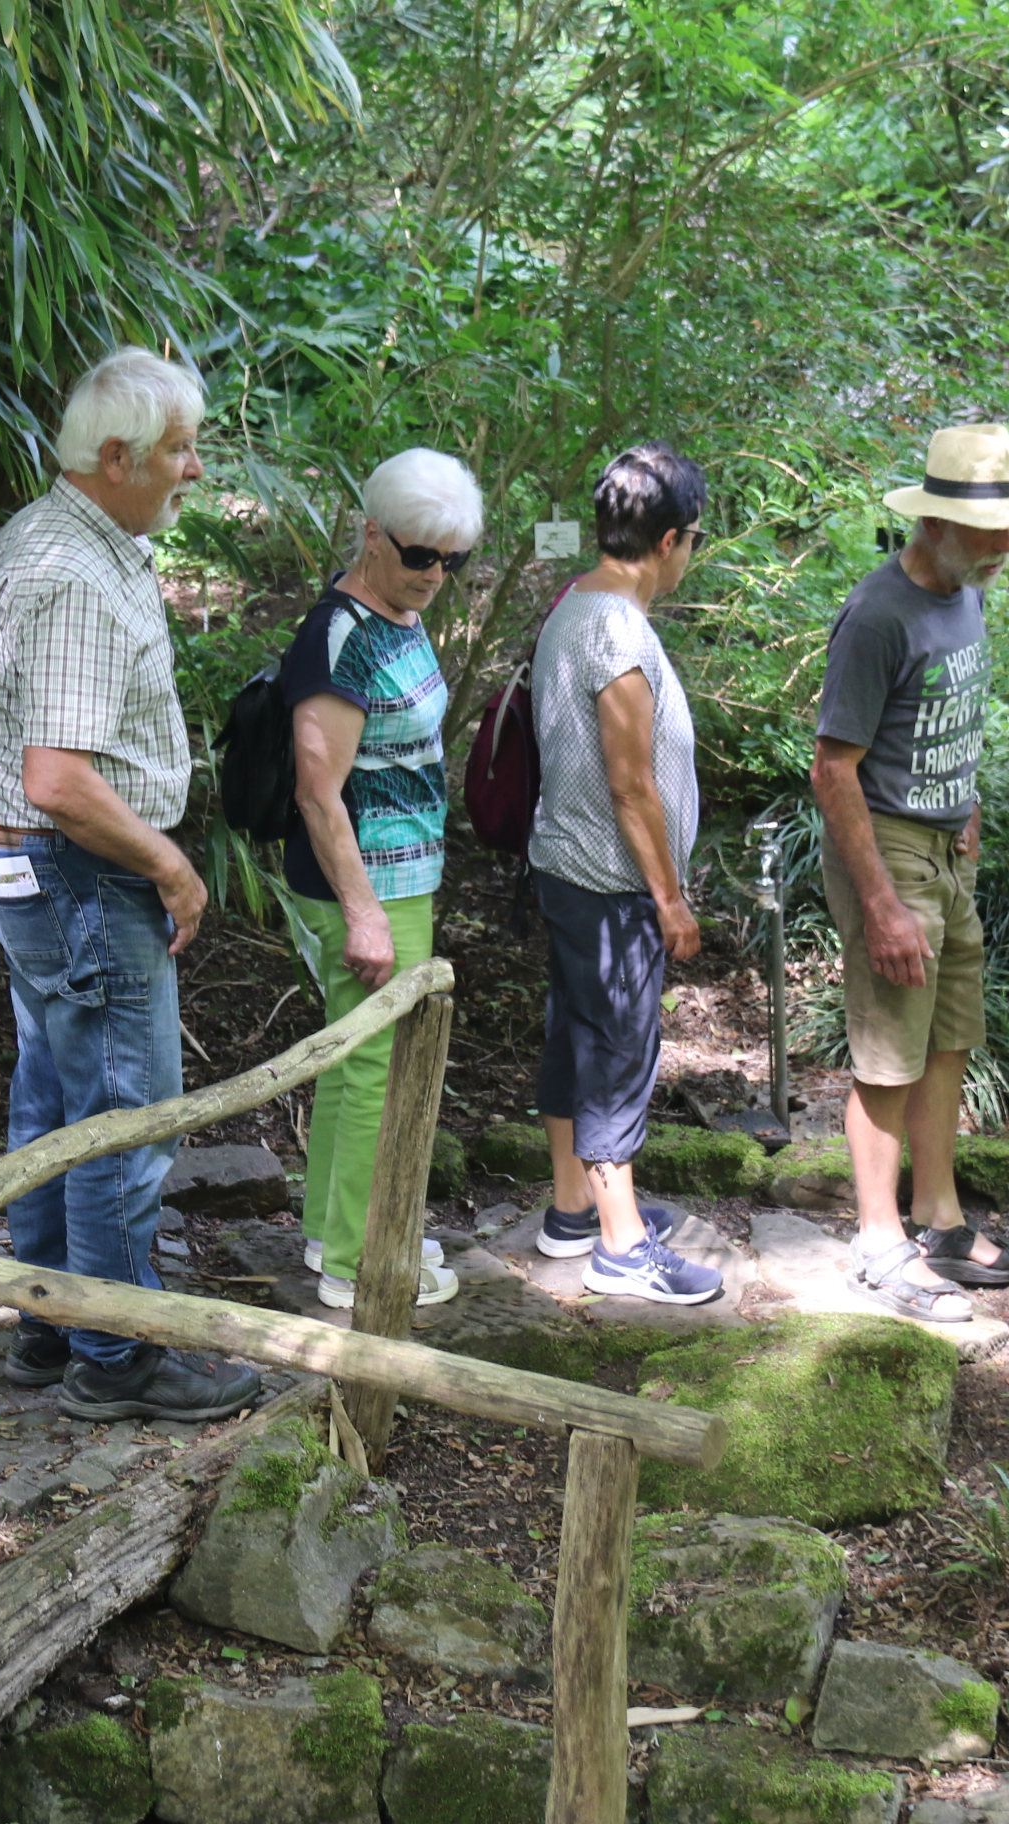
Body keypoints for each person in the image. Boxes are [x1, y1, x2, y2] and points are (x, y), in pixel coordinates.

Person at [0, 346, 266, 1418]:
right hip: (77, 875)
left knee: (55, 1096)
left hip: (28, 868)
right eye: (179, 451)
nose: (194, 470)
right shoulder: (77, 574)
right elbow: (60, 781)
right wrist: (171, 864)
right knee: (125, 1114)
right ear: (117, 456)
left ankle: (50, 1320)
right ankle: (117, 1354)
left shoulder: (63, 533)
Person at [811, 423, 1009, 1323]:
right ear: (936, 523)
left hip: (947, 845)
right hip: (890, 851)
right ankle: (879, 1245)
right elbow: (833, 767)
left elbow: (945, 716)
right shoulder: (880, 614)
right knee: (888, 1052)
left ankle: (939, 1219)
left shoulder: (965, 592)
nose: (1005, 547)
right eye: (988, 531)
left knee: (948, 1036)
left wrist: (969, 804)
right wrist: (880, 901)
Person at [283, 450, 484, 1310]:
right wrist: (363, 914)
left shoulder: (398, 614)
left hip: (406, 871)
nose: (436, 575)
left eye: (453, 560)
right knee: (379, 1062)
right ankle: (360, 1264)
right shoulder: (340, 638)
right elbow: (318, 791)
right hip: (362, 881)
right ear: (371, 535)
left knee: (356, 1055)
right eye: (419, 556)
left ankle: (334, 1233)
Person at [525, 444, 724, 1305]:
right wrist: (670, 897)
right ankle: (619, 1244)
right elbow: (631, 782)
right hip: (608, 885)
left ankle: (574, 1209)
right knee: (615, 1052)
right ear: (672, 540)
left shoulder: (580, 604)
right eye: (694, 541)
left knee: (577, 1038)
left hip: (573, 872)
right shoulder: (612, 627)